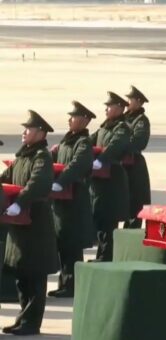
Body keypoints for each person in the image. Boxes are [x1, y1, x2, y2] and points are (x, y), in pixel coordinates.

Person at [1, 110, 59, 335]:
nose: (23, 133)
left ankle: (31, 323)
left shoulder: (41, 157)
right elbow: (6, 177)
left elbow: (37, 183)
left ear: (40, 133)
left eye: (28, 129)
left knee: (34, 274)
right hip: (20, 224)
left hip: (35, 221)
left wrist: (20, 202)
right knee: (21, 273)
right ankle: (23, 318)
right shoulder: (23, 156)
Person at [48, 101, 96, 298]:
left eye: (73, 117)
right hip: (60, 201)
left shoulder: (83, 143)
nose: (69, 120)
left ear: (84, 120)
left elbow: (77, 165)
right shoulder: (67, 141)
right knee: (62, 241)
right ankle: (64, 282)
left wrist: (61, 181)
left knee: (72, 244)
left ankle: (71, 285)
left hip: (74, 199)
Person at [89, 91, 131, 262]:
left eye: (109, 106)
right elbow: (88, 141)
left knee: (108, 220)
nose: (106, 109)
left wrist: (102, 159)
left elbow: (116, 145)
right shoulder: (104, 127)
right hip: (99, 181)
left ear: (120, 108)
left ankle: (106, 257)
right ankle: (101, 254)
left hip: (112, 179)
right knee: (100, 217)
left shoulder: (122, 128)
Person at [122, 85, 152, 229]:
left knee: (135, 206)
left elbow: (139, 141)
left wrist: (119, 147)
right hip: (121, 167)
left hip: (134, 168)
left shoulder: (141, 121)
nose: (127, 102)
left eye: (130, 99)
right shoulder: (122, 119)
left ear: (139, 102)